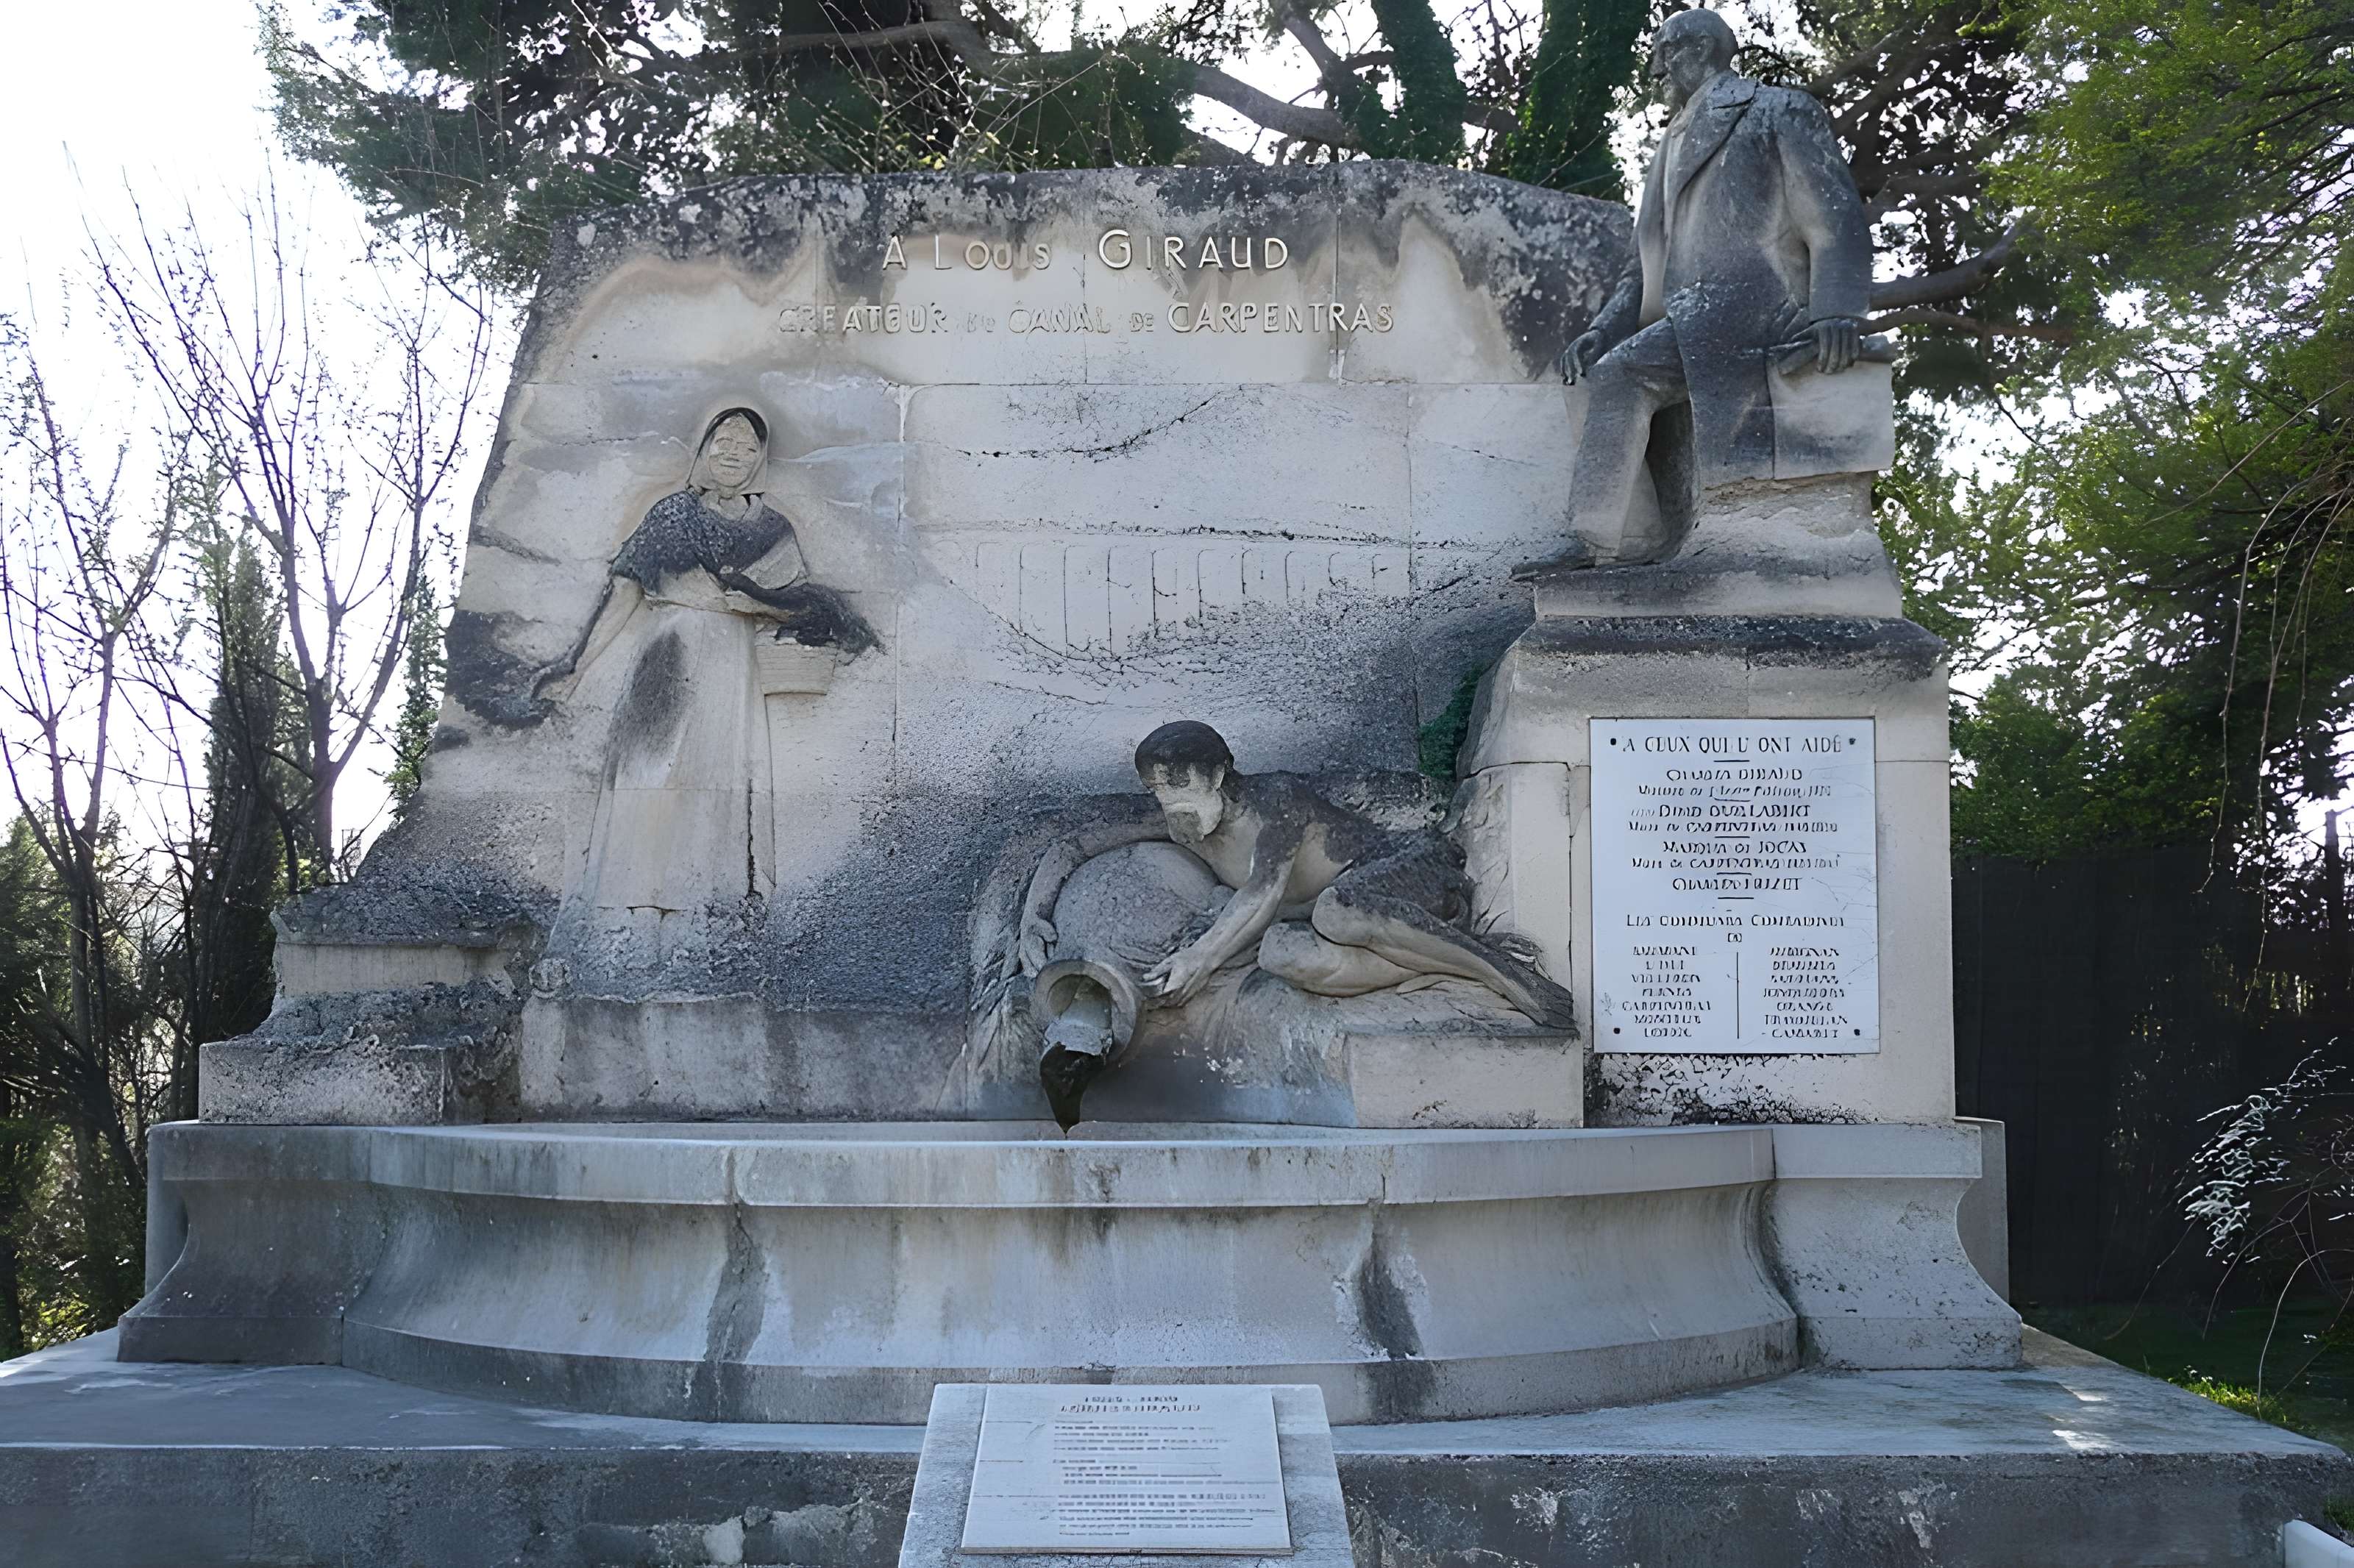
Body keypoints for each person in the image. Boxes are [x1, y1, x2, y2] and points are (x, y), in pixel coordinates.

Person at [1532, 8, 1873, 569]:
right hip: (1696, 318)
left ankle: (1616, 543)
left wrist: (1837, 312)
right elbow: (1648, 261)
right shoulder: (1668, 143)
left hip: (1764, 308)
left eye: (1663, 54)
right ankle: (1597, 542)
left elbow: (1833, 218)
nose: (1655, 71)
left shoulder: (1775, 108)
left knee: (1626, 377)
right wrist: (1604, 327)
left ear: (1699, 50)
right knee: (1614, 372)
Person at [535, 407, 876, 915]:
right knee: (649, 771)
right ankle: (626, 906)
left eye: (746, 445)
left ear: (760, 458)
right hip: (669, 649)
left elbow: (796, 600)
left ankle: (701, 907)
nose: (733, 453)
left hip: (730, 662)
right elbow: (625, 594)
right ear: (704, 448)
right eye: (724, 440)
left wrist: (757, 602)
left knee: (718, 782)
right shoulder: (672, 514)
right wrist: (578, 665)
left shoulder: (773, 530)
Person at [1017, 721, 1576, 1029]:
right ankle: (1428, 969)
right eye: (1159, 790)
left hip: (1404, 874)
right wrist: (1033, 917)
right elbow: (1074, 843)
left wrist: (1199, 958)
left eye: (1180, 785)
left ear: (1219, 773)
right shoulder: (1180, 823)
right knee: (1281, 955)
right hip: (1330, 924)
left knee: (1337, 909)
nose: (1171, 802)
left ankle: (1505, 975)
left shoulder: (1275, 802)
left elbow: (1261, 896)